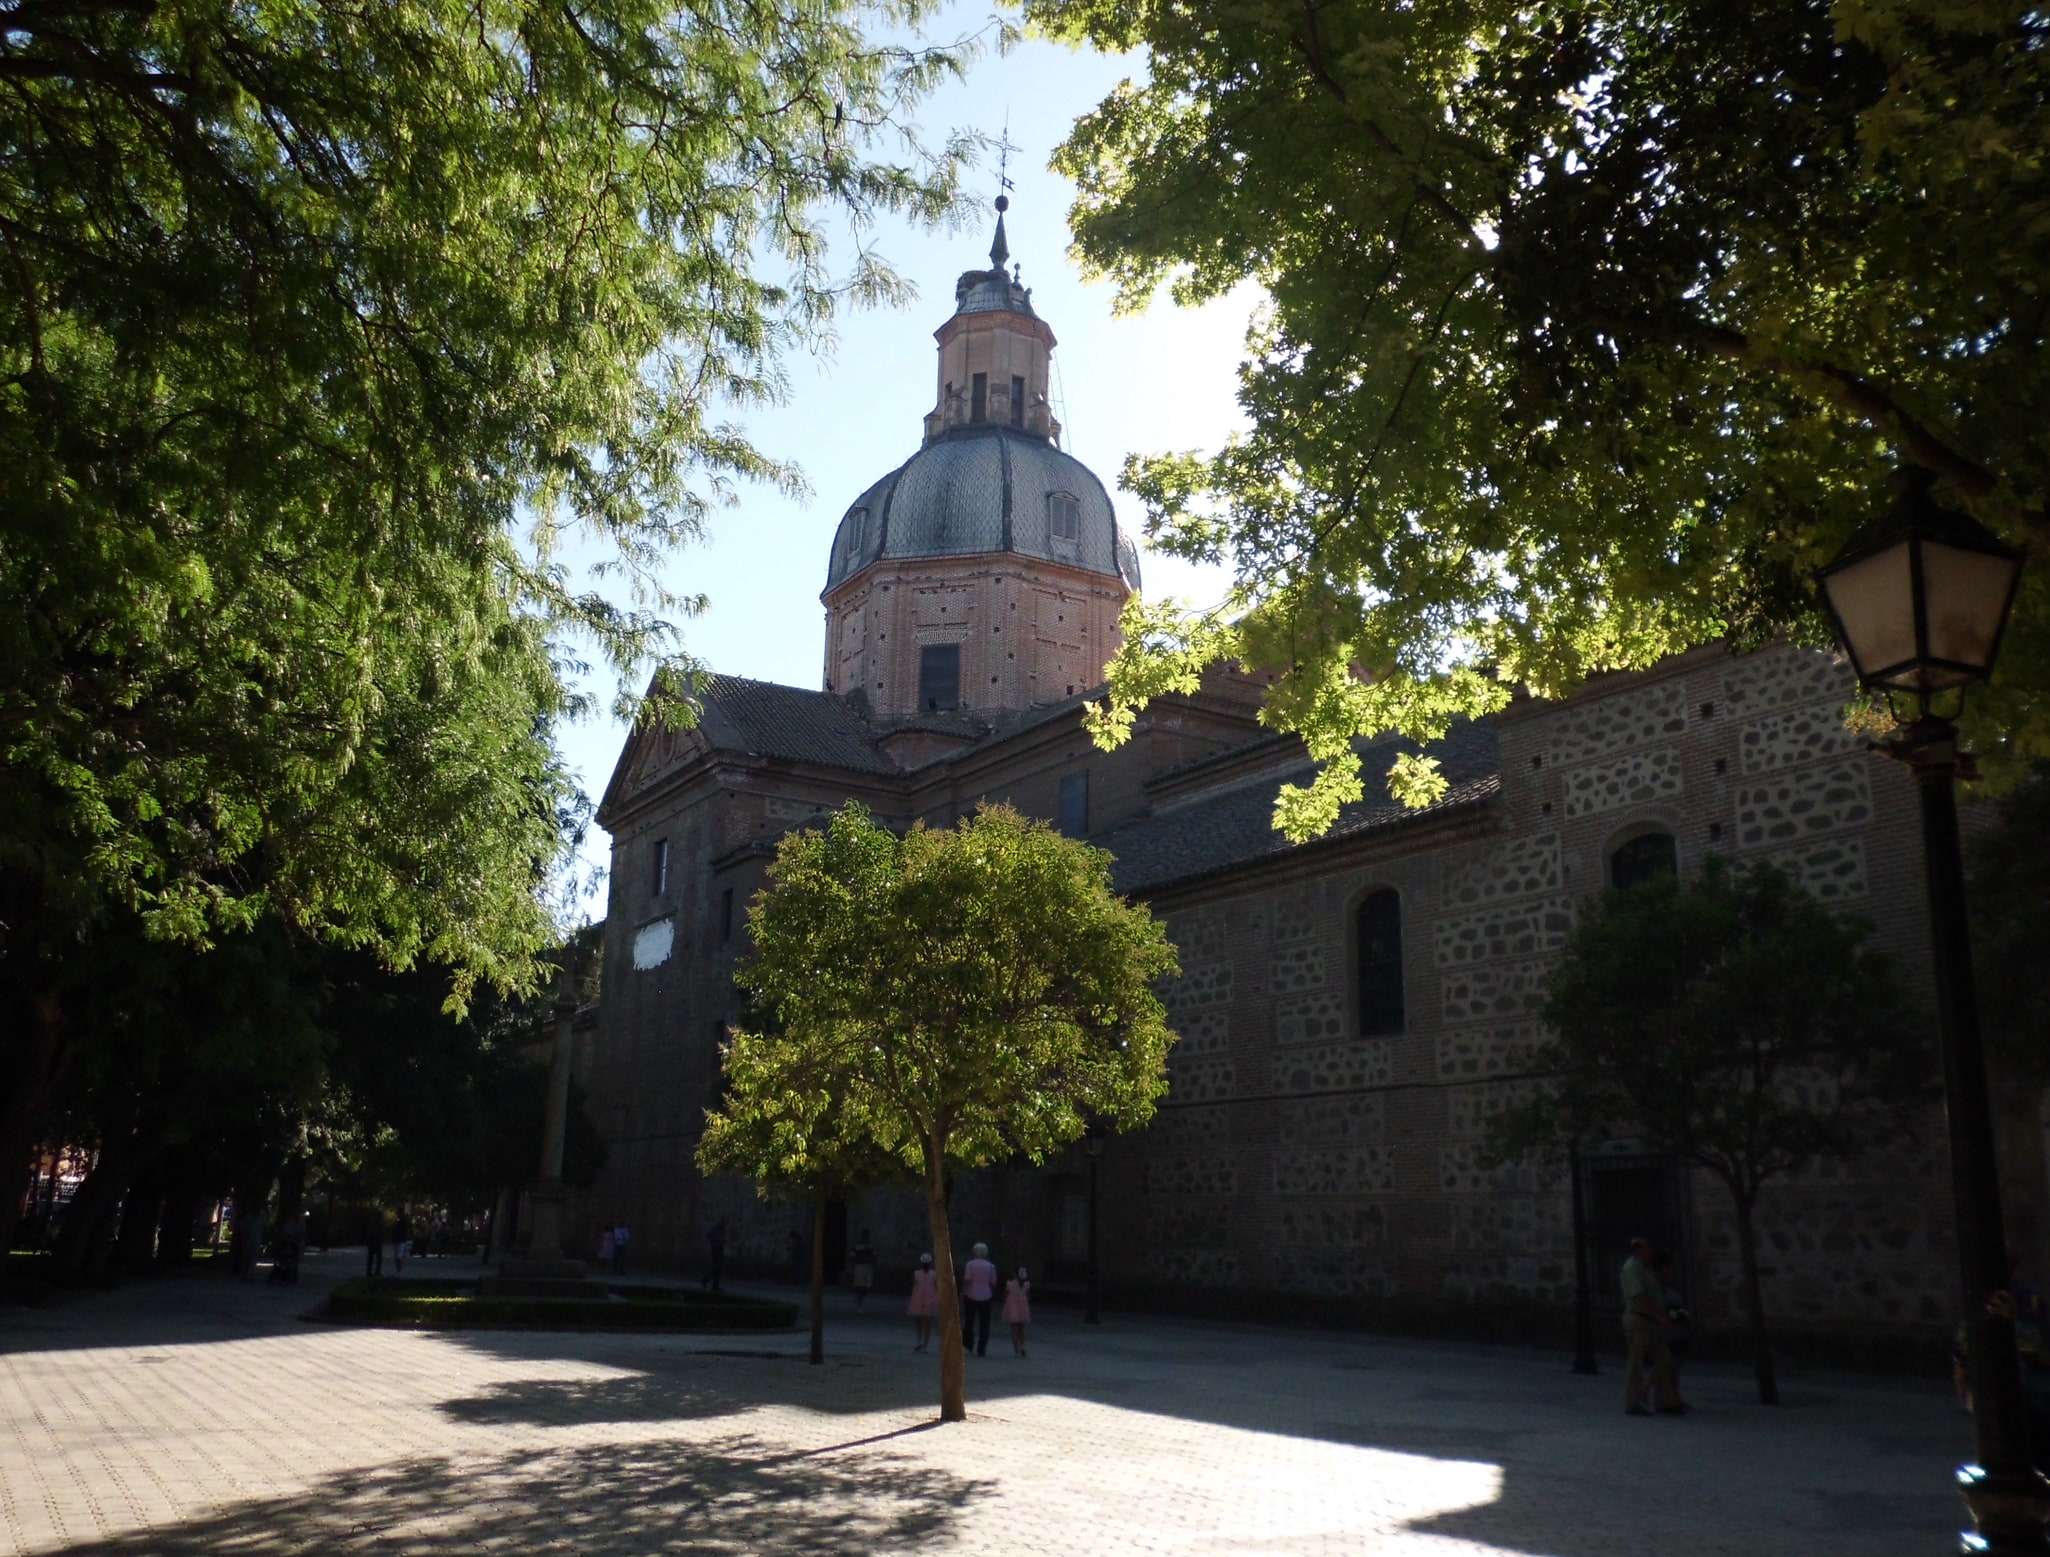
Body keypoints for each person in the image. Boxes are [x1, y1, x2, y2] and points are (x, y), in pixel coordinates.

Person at [1621, 1236, 1683, 1416]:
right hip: (1640, 1319)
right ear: (1639, 1250)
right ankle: (1633, 1403)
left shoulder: (1644, 1268)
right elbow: (1638, 1295)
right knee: (1636, 1362)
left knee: (1664, 1359)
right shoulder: (1633, 1268)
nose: (1650, 1252)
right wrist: (1658, 1314)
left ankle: (1663, 1400)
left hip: (1651, 1321)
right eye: (1647, 1248)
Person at [1651, 1248, 1692, 1410]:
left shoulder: (1665, 1288)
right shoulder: (1655, 1287)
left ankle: (1673, 1396)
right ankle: (1665, 1399)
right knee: (1666, 1365)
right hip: (1666, 1330)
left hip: (1675, 1330)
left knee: (1674, 1365)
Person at [961, 1241, 999, 1358]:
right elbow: (993, 1282)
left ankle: (967, 1345)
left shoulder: (970, 1264)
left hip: (971, 1294)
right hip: (986, 1295)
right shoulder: (990, 1266)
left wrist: (963, 1292)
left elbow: (967, 1280)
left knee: (969, 1321)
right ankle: (981, 1349)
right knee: (984, 1323)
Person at [907, 1252, 940, 1351]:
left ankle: (920, 1341)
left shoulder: (917, 1273)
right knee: (927, 1322)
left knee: (919, 1321)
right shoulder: (934, 1274)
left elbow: (914, 1286)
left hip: (919, 1297)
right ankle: (924, 1344)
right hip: (929, 1297)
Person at [1003, 1265, 1032, 1357]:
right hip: (1023, 1305)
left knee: (1014, 1328)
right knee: (1021, 1328)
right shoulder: (1026, 1284)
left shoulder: (1009, 1283)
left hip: (1012, 1305)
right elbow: (1028, 1296)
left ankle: (1017, 1350)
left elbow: (1006, 1294)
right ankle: (1022, 1346)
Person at [851, 1228, 876, 1311]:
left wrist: (871, 1261)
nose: (866, 1237)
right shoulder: (858, 1245)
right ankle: (859, 1302)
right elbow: (852, 1255)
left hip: (868, 1266)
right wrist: (858, 1260)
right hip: (860, 1266)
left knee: (868, 1286)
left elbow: (874, 1255)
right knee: (861, 1285)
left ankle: (859, 1298)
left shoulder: (871, 1245)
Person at [703, 1218, 726, 1291]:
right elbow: (708, 1235)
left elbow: (722, 1239)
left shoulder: (722, 1230)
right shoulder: (714, 1228)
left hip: (719, 1248)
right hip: (715, 1249)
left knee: (718, 1268)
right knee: (716, 1268)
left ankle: (714, 1285)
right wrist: (716, 1240)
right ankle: (706, 1281)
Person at [365, 1207, 385, 1278]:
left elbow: (370, 1230)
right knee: (378, 1257)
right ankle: (376, 1272)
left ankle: (369, 1272)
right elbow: (380, 1231)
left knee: (371, 1257)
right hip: (376, 1240)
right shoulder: (378, 1221)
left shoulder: (372, 1220)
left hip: (372, 1240)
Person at [393, 1210, 412, 1275]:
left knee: (398, 1256)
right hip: (401, 1240)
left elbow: (398, 1231)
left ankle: (399, 1270)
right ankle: (399, 1270)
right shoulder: (404, 1222)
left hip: (399, 1239)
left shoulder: (401, 1222)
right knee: (399, 1256)